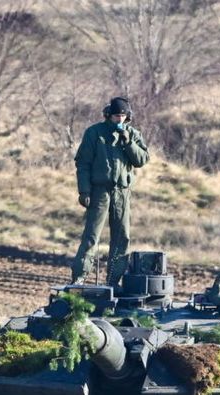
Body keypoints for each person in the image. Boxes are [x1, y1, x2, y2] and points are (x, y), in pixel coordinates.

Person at [70, 97, 150, 286]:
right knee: (92, 235)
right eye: (116, 116)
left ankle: (114, 279)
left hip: (122, 191)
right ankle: (80, 276)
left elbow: (142, 159)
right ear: (109, 115)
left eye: (123, 116)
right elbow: (83, 163)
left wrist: (128, 142)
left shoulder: (132, 134)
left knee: (122, 237)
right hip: (100, 190)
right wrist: (84, 191)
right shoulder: (95, 133)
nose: (119, 119)